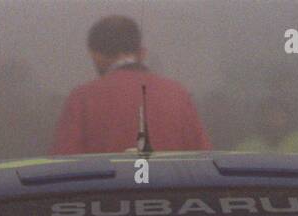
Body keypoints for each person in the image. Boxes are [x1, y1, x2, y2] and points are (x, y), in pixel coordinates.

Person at [53, 15, 211, 155]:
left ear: (96, 56)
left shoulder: (82, 98)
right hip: (172, 188)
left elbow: (64, 168)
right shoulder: (177, 94)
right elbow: (204, 160)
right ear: (142, 53)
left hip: (107, 189)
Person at [234, 97, 298, 154]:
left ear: (288, 116)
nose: (274, 118)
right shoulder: (246, 148)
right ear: (262, 118)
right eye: (270, 114)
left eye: (279, 114)